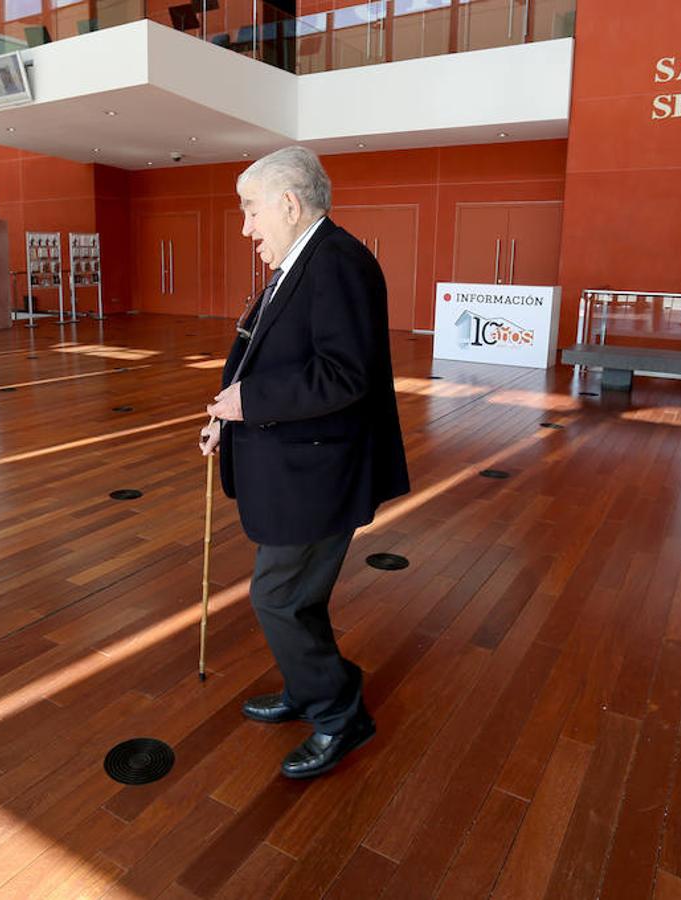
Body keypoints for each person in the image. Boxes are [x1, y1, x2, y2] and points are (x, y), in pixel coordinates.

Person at [199, 146, 409, 779]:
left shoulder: (338, 264)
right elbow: (260, 358)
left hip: (320, 477)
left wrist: (249, 402)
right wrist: (223, 415)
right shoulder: (301, 262)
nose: (246, 227)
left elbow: (345, 375)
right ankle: (310, 681)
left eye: (251, 210)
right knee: (297, 597)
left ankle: (341, 715)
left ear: (289, 203)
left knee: (278, 598)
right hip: (296, 470)